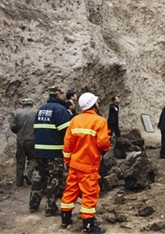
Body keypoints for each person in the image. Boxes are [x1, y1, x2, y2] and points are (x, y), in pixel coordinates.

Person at [60, 92, 111, 233]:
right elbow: (103, 143)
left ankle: (65, 220)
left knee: (70, 191)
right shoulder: (100, 121)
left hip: (75, 164)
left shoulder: (75, 120)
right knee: (89, 194)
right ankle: (88, 226)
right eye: (97, 102)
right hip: (89, 165)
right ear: (93, 105)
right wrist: (107, 145)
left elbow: (68, 143)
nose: (98, 104)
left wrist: (67, 160)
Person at [29, 85, 71, 217]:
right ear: (58, 95)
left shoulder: (41, 109)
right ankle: (50, 207)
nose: (63, 96)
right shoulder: (60, 109)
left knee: (38, 177)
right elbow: (67, 132)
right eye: (62, 93)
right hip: (54, 152)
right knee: (55, 178)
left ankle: (33, 205)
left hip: (40, 151)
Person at [10, 98, 37, 186]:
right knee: (33, 158)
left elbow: (13, 126)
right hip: (32, 139)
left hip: (20, 140)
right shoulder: (36, 113)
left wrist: (19, 133)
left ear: (23, 105)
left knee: (20, 160)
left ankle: (19, 182)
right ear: (32, 104)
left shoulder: (17, 113)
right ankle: (28, 173)